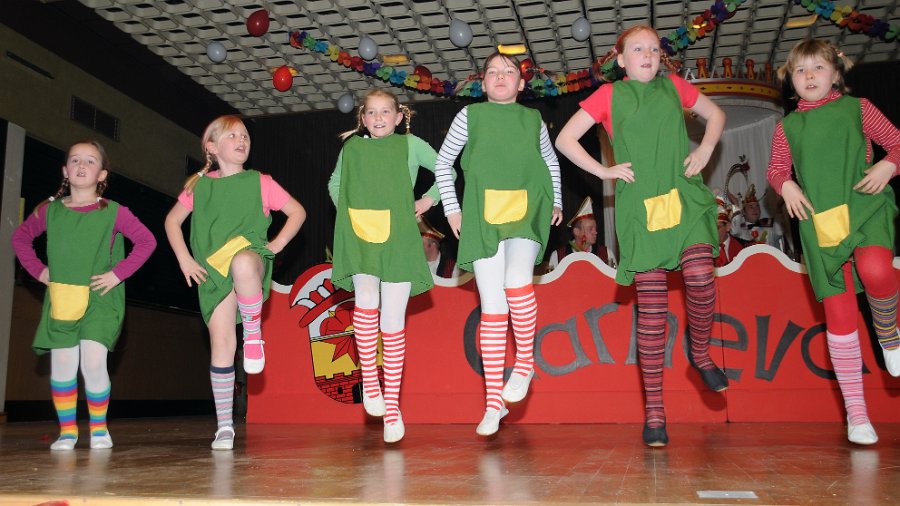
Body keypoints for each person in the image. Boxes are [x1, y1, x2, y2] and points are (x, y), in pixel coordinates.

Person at [555, 25, 728, 447]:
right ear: (621, 60)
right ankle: (654, 411)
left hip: (683, 194)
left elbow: (716, 116)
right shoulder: (608, 96)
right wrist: (603, 171)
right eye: (637, 49)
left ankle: (699, 351)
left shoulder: (675, 87)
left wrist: (705, 149)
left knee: (701, 277)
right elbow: (565, 139)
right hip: (641, 206)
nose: (647, 54)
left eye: (653, 48)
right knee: (652, 311)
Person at [767, 39, 900, 445]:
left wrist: (888, 165)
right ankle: (857, 415)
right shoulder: (787, 126)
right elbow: (776, 169)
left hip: (864, 205)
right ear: (791, 80)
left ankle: (889, 333)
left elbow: (897, 142)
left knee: (875, 269)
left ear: (836, 74)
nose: (809, 76)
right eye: (800, 70)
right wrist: (786, 185)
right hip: (821, 224)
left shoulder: (858, 108)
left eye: (818, 68)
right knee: (840, 317)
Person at [435, 51, 563, 436]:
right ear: (483, 83)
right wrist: (452, 209)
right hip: (482, 215)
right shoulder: (469, 116)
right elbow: (443, 163)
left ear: (521, 84)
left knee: (518, 281)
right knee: (492, 307)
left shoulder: (533, 119)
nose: (501, 76)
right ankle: (494, 403)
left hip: (527, 209)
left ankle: (524, 363)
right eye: (492, 72)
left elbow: (550, 162)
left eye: (509, 71)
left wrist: (556, 200)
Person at [164, 115, 306, 450]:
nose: (242, 140)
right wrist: (185, 259)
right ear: (211, 147)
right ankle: (225, 426)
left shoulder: (260, 182)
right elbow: (171, 222)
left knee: (242, 262)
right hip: (213, 270)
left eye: (245, 136)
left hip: (249, 258)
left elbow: (297, 211)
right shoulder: (199, 187)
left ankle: (254, 333)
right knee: (222, 344)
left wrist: (277, 244)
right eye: (232, 136)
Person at [12, 140, 157, 450]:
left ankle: (99, 429)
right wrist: (39, 271)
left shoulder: (114, 212)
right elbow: (20, 239)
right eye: (75, 160)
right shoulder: (49, 211)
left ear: (102, 175)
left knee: (93, 362)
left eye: (90, 161)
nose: (81, 165)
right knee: (63, 364)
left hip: (101, 299)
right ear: (65, 170)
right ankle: (67, 432)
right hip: (62, 299)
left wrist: (117, 274)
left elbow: (147, 242)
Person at [328, 89, 451, 443]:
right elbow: (335, 183)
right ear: (362, 118)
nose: (378, 117)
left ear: (399, 117)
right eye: (371, 112)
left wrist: (429, 200)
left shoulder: (410, 144)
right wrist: (348, 214)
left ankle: (392, 407)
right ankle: (370, 382)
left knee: (393, 320)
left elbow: (445, 169)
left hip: (399, 236)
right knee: (366, 301)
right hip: (361, 233)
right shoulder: (352, 148)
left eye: (385, 112)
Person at [547, 196, 617, 270]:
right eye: (590, 229)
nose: (595, 232)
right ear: (577, 231)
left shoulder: (606, 254)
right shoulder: (558, 256)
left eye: (595, 228)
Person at [715, 196, 744, 267]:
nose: (712, 233)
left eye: (717, 228)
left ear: (728, 226)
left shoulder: (743, 247)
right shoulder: (703, 249)